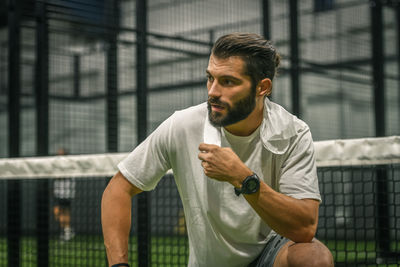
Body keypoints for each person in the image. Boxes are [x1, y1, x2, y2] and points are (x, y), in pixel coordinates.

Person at [102, 33, 334, 267]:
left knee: (314, 258)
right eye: (210, 78)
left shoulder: (293, 132)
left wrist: (243, 178)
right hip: (209, 262)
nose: (212, 91)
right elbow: (118, 189)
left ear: (262, 87)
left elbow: (304, 228)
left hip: (269, 256)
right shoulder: (182, 125)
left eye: (228, 81)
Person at [53, 148, 76, 241]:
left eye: (60, 154)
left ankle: (67, 231)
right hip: (58, 192)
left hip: (66, 193)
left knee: (64, 212)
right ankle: (67, 230)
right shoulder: (57, 164)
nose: (58, 155)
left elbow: (60, 176)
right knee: (58, 212)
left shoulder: (68, 164)